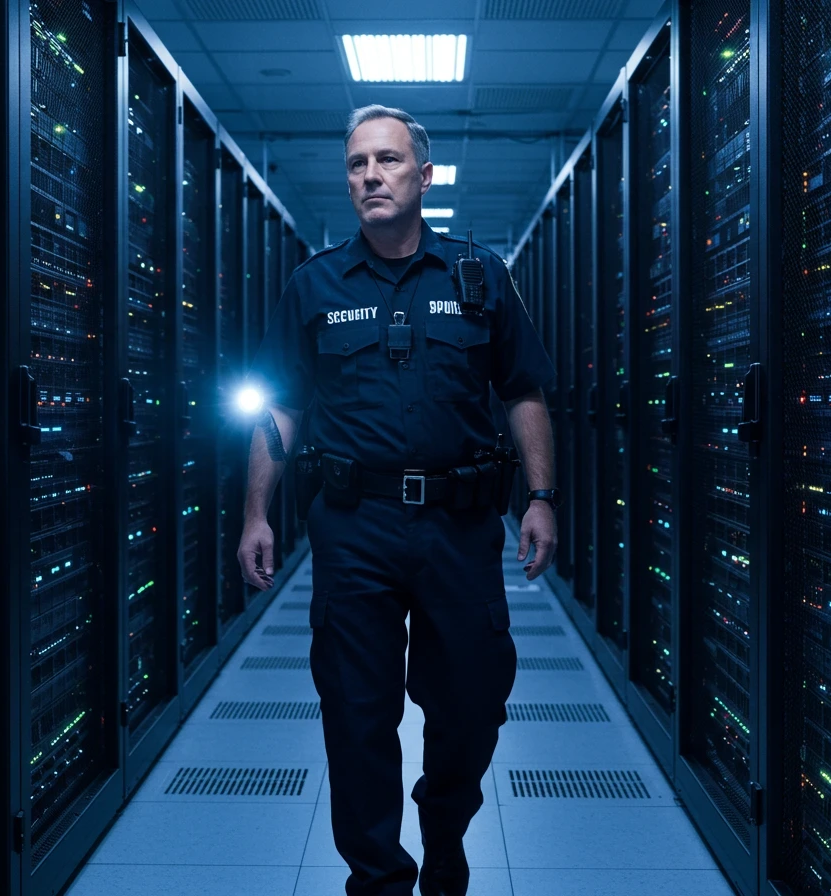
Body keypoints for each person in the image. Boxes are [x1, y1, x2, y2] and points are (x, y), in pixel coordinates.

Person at [236, 104, 561, 896]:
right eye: (356, 164)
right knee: (356, 716)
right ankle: (379, 879)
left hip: (459, 527)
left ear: (424, 173)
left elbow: (522, 392)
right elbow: (279, 406)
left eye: (386, 160)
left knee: (473, 704)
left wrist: (541, 496)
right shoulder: (313, 285)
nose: (370, 176)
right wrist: (256, 513)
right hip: (354, 530)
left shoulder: (479, 279)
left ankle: (444, 833)